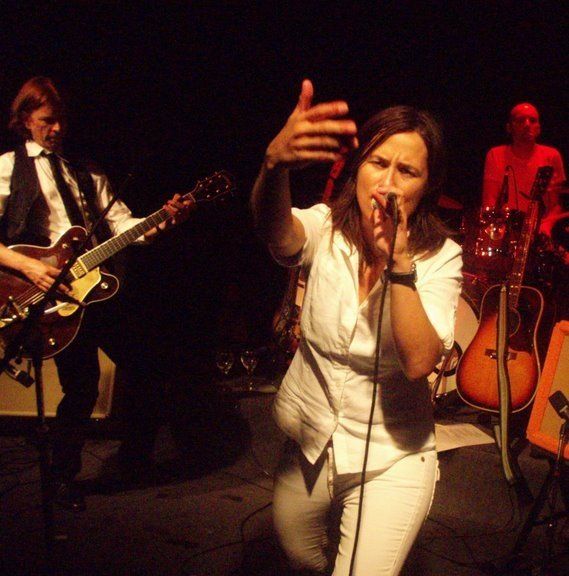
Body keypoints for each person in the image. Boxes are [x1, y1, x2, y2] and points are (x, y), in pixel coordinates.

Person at [251, 79, 462, 575]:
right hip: (310, 440)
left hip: (393, 458)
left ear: (427, 184)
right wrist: (273, 166)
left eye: (406, 170)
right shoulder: (327, 227)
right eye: (377, 162)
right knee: (300, 554)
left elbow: (420, 362)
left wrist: (400, 264)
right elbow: (277, 234)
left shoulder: (441, 257)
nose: (387, 182)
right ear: (359, 167)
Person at [0, 77, 193, 511]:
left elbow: (123, 226)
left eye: (61, 120)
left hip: (98, 290)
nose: (56, 129)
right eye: (46, 120)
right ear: (25, 119)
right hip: (51, 298)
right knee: (82, 387)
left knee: (147, 368)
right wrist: (30, 266)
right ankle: (61, 479)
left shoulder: (88, 171)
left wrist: (162, 220)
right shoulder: (8, 168)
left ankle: (134, 459)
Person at [482, 102, 566, 235]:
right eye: (521, 120)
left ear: (538, 128)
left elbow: (557, 204)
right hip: (507, 231)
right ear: (509, 127)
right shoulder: (495, 154)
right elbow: (490, 200)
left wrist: (546, 225)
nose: (527, 125)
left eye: (532, 120)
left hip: (541, 231)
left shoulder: (551, 156)